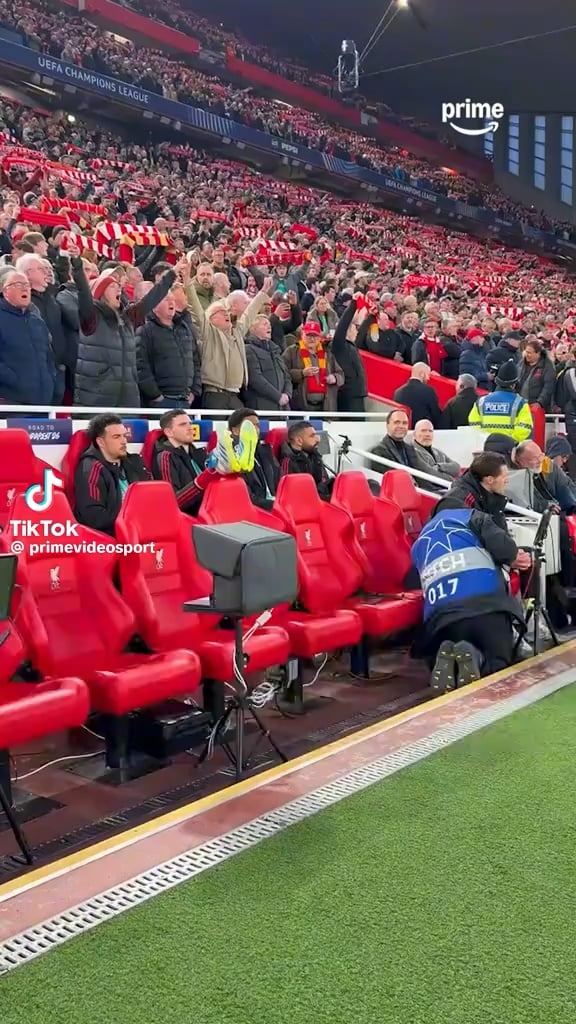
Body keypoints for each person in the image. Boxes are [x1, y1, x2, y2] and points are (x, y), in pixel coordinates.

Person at [411, 506, 527, 690]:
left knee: (443, 653)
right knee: (498, 663)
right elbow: (506, 549)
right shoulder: (473, 517)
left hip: (440, 621)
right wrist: (517, 557)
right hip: (485, 608)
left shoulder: (418, 544)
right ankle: (477, 657)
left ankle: (446, 659)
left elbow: (410, 583)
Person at [184, 262, 272, 410]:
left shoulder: (237, 332)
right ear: (211, 318)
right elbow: (196, 310)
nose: (226, 314)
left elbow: (249, 314)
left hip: (235, 395)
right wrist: (187, 281)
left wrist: (262, 293)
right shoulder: (208, 332)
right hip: (214, 395)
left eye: (226, 311)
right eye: (221, 312)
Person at [74, 413, 151, 535]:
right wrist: (133, 517)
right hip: (112, 534)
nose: (124, 441)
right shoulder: (91, 468)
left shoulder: (135, 462)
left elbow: (151, 497)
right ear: (101, 442)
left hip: (141, 527)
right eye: (116, 437)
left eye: (124, 436)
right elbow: (93, 516)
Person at [136, 290, 201, 408]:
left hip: (185, 399)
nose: (171, 302)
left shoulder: (184, 329)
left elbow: (195, 361)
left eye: (173, 300)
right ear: (154, 307)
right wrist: (155, 394)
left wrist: (194, 391)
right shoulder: (146, 331)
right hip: (162, 401)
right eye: (166, 300)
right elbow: (141, 366)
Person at [0, 269, 55, 405]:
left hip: (43, 403)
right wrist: (14, 380)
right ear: (4, 290)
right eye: (18, 285)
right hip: (10, 402)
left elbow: (48, 357)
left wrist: (51, 381)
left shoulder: (37, 320)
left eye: (27, 285)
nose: (25, 288)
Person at [151, 408, 214, 516]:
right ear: (168, 432)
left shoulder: (198, 452)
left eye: (190, 423)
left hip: (211, 510)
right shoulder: (165, 457)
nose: (190, 428)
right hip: (190, 518)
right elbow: (174, 502)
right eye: (183, 424)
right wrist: (201, 482)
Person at [433, 451, 512, 532]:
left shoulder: (493, 499)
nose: (507, 481)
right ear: (489, 480)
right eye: (504, 477)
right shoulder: (458, 501)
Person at [283, 321, 343, 411]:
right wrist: (301, 373)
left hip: (325, 407)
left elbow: (341, 374)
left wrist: (334, 378)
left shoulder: (327, 354)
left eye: (315, 336)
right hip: (300, 407)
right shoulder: (291, 352)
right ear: (302, 335)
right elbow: (283, 373)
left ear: (319, 337)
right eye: (309, 335)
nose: (312, 339)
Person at [228, 408, 281, 510]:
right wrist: (276, 506)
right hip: (256, 511)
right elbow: (246, 498)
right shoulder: (231, 457)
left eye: (257, 425)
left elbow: (281, 480)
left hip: (276, 507)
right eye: (251, 426)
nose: (256, 430)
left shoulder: (266, 451)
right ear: (235, 431)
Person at [468, 361, 533, 442]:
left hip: (486, 448)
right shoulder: (520, 403)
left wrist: (485, 440)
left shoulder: (481, 401)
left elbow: (474, 425)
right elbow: (525, 427)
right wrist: (510, 441)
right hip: (509, 450)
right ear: (513, 385)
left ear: (497, 381)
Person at [244, 315, 293, 411]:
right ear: (253, 329)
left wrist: (287, 394)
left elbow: (286, 376)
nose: (269, 327)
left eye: (270, 325)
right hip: (262, 406)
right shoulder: (249, 349)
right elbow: (255, 378)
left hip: (283, 408)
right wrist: (278, 396)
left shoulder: (276, 351)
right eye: (265, 324)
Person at [329, 296, 367, 413]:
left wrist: (371, 317)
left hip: (359, 393)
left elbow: (363, 330)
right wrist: (354, 305)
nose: (357, 331)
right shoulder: (339, 345)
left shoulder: (352, 346)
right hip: (347, 394)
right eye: (355, 328)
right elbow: (342, 325)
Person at [279, 420, 332, 500]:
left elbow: (324, 481)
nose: (317, 440)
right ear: (298, 441)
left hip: (319, 500)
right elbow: (291, 493)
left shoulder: (315, 456)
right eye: (312, 436)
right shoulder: (288, 462)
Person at [371, 409, 430, 475]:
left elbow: (422, 473)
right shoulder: (378, 451)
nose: (401, 426)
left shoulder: (410, 448)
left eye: (404, 423)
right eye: (397, 422)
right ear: (387, 425)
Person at [393, 363, 442, 429]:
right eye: (428, 375)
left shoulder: (398, 392)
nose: (428, 378)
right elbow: (436, 415)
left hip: (404, 430)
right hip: (422, 431)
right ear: (422, 374)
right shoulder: (428, 391)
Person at [518, 338, 556, 410]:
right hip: (521, 405)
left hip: (537, 407)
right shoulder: (521, 364)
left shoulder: (547, 366)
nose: (527, 355)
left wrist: (540, 402)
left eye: (529, 353)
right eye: (526, 352)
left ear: (538, 353)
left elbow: (548, 387)